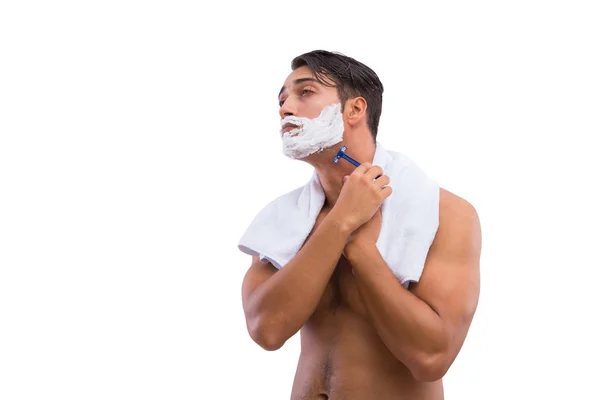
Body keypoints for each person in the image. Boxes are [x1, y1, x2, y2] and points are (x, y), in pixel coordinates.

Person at [240, 50, 481, 399]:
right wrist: (340, 223)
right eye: (281, 99)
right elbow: (267, 330)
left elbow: (432, 357)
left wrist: (362, 250)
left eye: (304, 93)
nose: (285, 108)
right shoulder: (282, 221)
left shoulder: (445, 212)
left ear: (354, 110)